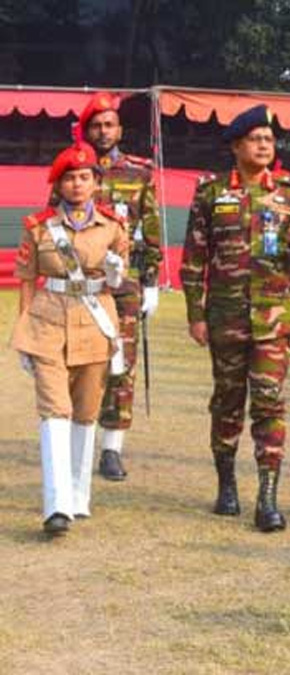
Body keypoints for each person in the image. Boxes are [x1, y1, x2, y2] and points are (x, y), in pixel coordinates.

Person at [180, 104, 290, 533]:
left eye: (269, 140)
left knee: (270, 401)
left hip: (273, 320)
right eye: (255, 139)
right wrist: (196, 316)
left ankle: (268, 497)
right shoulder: (211, 193)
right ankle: (226, 485)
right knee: (228, 402)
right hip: (226, 318)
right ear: (236, 146)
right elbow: (194, 260)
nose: (264, 146)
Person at [11, 133, 128, 535]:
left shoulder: (113, 226)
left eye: (84, 176)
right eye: (69, 178)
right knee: (54, 411)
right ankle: (56, 504)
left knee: (85, 412)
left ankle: (78, 498)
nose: (77, 184)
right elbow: (26, 279)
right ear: (57, 185)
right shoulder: (38, 227)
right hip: (48, 321)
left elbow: (118, 278)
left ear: (96, 181)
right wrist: (23, 331)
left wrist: (116, 271)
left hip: (95, 322)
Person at [74, 92, 162, 482]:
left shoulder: (139, 173)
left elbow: (153, 230)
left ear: (120, 129)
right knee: (81, 365)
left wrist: (153, 282)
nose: (103, 131)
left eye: (109, 124)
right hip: (80, 287)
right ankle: (82, 438)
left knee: (120, 366)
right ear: (86, 130)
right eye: (96, 124)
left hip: (124, 286)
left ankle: (112, 449)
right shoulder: (71, 172)